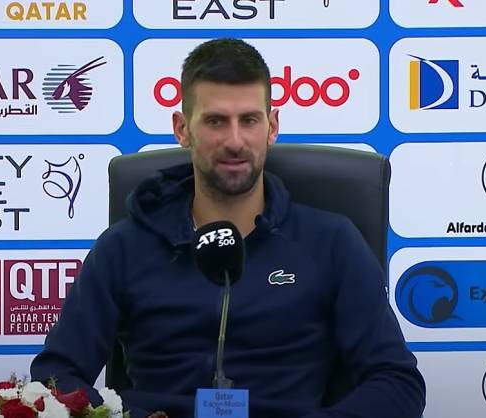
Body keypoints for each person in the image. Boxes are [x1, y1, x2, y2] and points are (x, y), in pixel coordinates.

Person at [31, 38, 426, 418]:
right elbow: (56, 376)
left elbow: (398, 383)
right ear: (182, 129)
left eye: (249, 120)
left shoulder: (332, 242)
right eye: (216, 121)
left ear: (271, 127)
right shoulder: (122, 248)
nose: (235, 141)